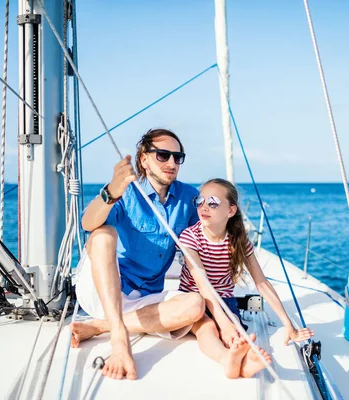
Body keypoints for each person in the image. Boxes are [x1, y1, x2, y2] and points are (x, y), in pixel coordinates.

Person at [71, 129, 205, 380]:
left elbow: (200, 243)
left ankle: (101, 326)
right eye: (163, 155)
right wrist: (111, 190)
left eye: (178, 157)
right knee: (103, 234)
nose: (172, 163)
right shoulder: (125, 191)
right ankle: (119, 338)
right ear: (143, 159)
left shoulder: (188, 197)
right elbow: (88, 223)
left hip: (145, 298)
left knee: (196, 305)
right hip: (102, 291)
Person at [178, 178, 314, 378]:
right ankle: (228, 360)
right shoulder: (190, 237)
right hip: (195, 298)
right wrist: (223, 324)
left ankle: (246, 360)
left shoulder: (239, 242)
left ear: (230, 211)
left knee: (236, 331)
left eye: (213, 202)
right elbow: (203, 285)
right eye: (200, 201)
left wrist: (288, 324)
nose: (204, 207)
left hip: (223, 299)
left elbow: (262, 283)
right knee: (206, 327)